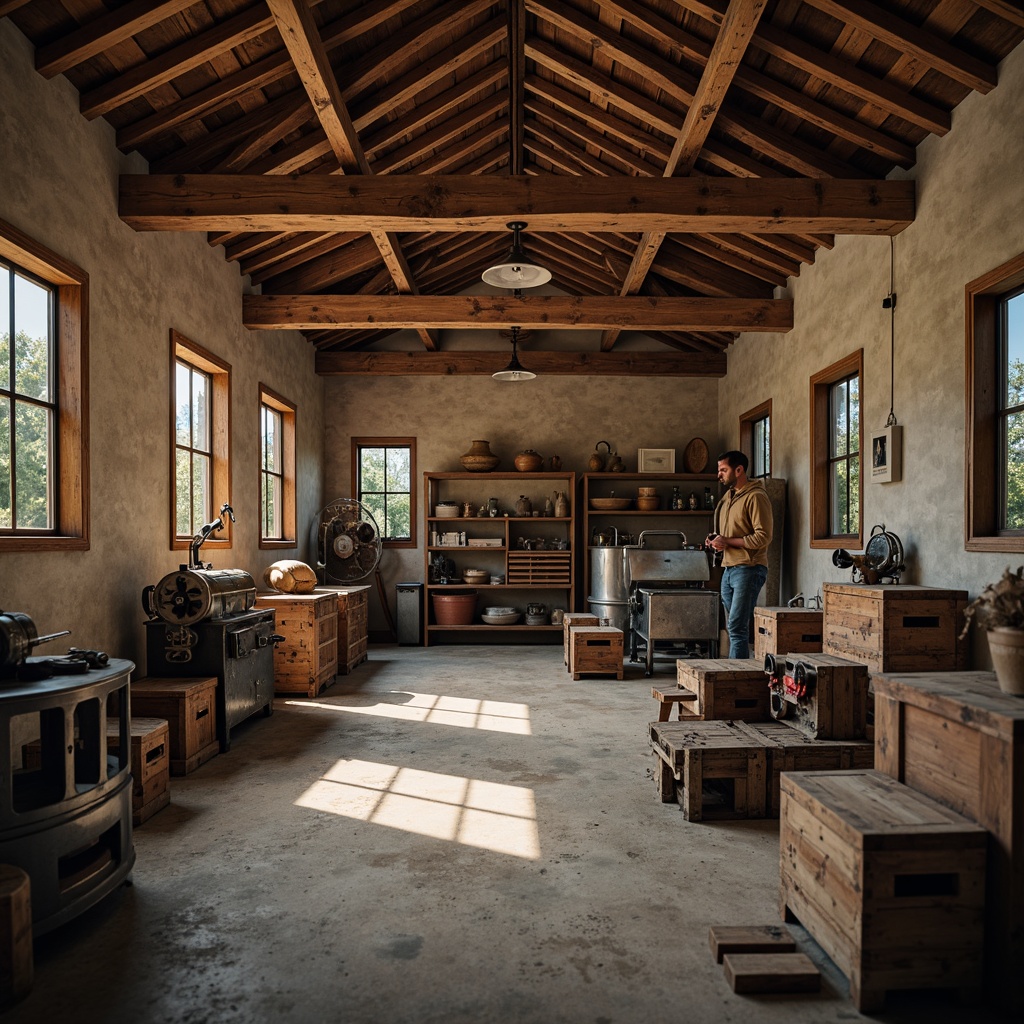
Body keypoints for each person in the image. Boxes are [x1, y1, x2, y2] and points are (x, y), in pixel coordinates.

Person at [705, 451, 773, 659]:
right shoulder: (728, 497)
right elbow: (730, 533)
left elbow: (763, 537)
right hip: (729, 568)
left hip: (749, 568)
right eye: (719, 470)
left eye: (723, 470)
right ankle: (736, 674)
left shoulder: (756, 497)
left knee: (737, 628)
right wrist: (715, 540)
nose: (719, 475)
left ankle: (737, 678)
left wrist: (727, 541)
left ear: (739, 470)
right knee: (734, 628)